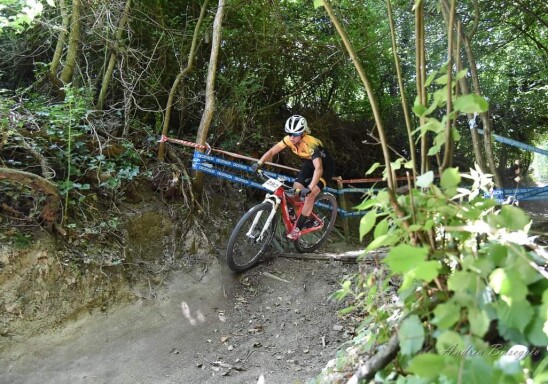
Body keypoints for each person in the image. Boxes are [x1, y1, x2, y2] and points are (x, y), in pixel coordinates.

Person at [251, 115, 335, 240]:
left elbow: (319, 169)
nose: (291, 137)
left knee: (309, 195)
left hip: (324, 168)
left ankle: (298, 228)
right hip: (308, 164)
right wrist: (259, 163)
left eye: (295, 134)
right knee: (295, 192)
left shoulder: (311, 144)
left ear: (303, 133)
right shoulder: (289, 139)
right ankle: (301, 216)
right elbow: (272, 152)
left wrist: (310, 188)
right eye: (289, 133)